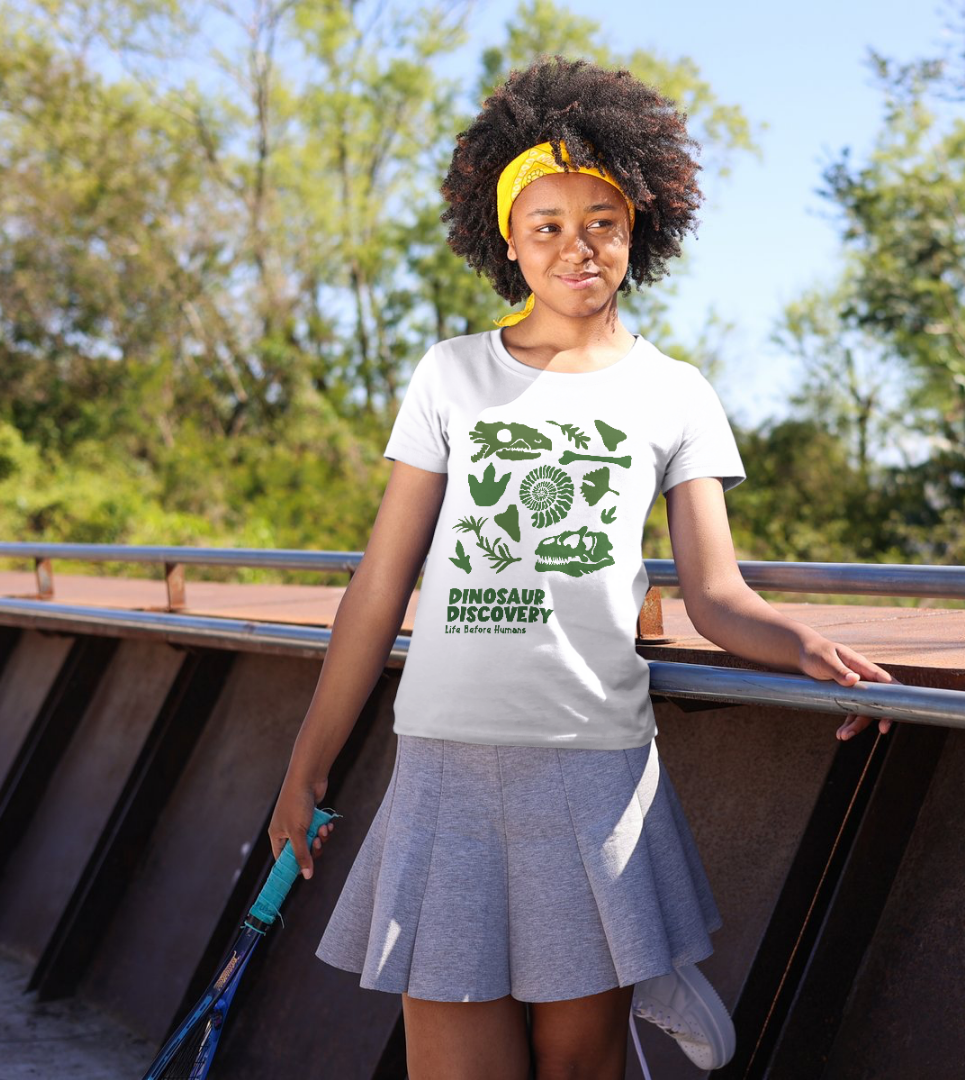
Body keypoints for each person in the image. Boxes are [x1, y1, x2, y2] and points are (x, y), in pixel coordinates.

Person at [268, 56, 894, 1080]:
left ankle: (637, 960)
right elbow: (380, 588)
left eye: (601, 220)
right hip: (444, 772)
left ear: (638, 228)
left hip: (593, 776)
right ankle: (649, 962)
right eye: (547, 222)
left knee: (578, 1066)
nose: (576, 245)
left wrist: (808, 648)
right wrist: (306, 768)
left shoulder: (677, 394)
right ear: (505, 237)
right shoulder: (449, 375)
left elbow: (719, 596)